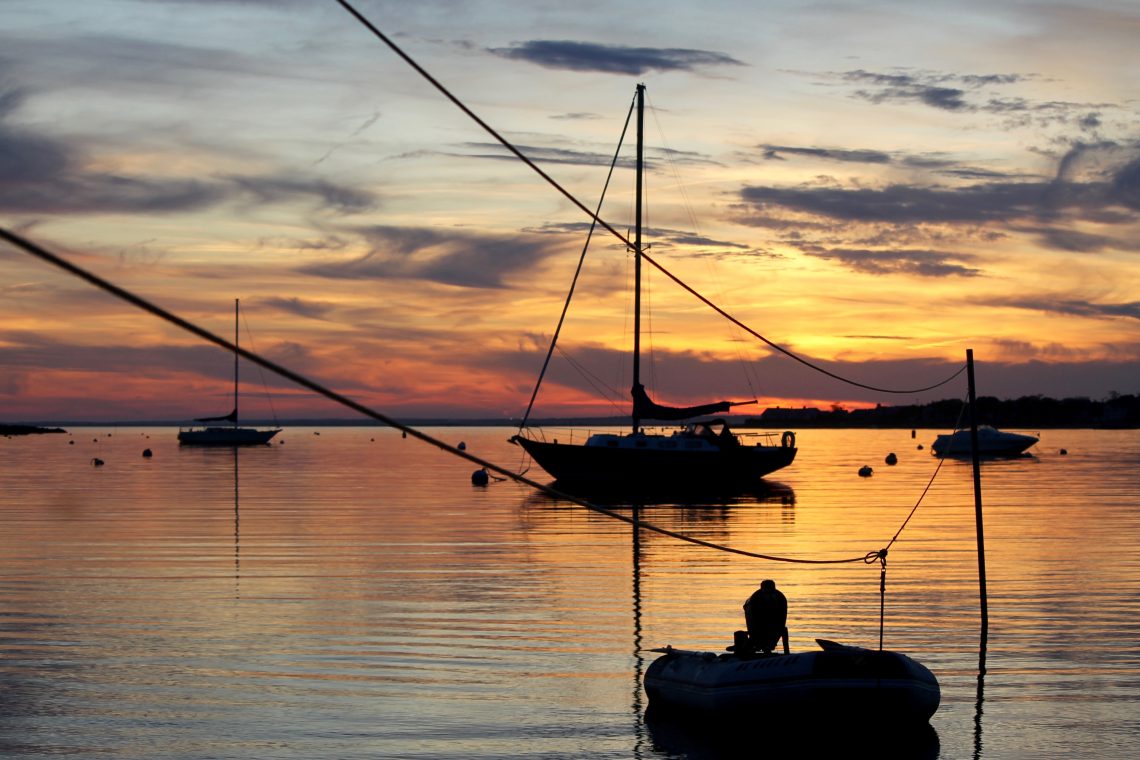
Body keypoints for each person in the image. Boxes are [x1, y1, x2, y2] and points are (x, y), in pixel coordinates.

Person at [743, 579, 788, 653]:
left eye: (771, 592)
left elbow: (782, 619)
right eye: (767, 592)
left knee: (770, 640)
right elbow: (753, 621)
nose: (769, 595)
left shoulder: (780, 598)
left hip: (774, 627)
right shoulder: (755, 599)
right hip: (759, 627)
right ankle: (759, 645)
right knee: (758, 640)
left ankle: (767, 646)